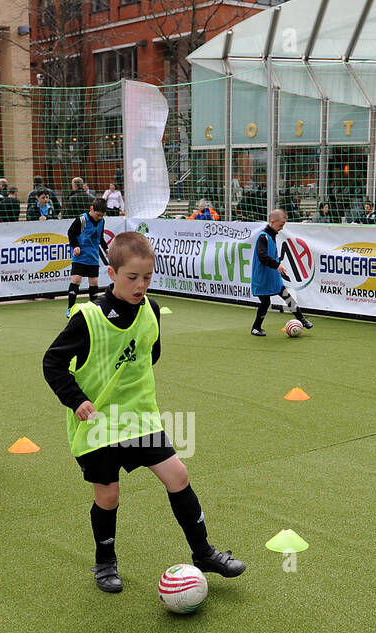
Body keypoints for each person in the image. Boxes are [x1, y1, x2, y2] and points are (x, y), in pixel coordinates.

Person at [41, 230, 246, 593]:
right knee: (108, 496)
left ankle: (203, 553)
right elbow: (53, 362)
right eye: (132, 277)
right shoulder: (87, 318)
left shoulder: (151, 309)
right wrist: (76, 399)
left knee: (178, 475)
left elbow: (151, 352)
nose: (141, 285)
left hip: (138, 418)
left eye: (147, 277)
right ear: (111, 272)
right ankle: (105, 563)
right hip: (98, 424)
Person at [249, 208, 311, 336]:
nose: (282, 228)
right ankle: (256, 328)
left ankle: (302, 319)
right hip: (262, 276)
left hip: (273, 275)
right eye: (281, 225)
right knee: (265, 302)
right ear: (272, 221)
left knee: (287, 296)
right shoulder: (263, 237)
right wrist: (277, 265)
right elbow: (262, 256)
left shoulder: (272, 235)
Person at [66, 198, 110, 316]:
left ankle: (93, 310)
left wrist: (106, 249)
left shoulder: (102, 221)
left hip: (93, 256)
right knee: (76, 279)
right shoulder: (82, 219)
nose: (99, 217)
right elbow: (71, 232)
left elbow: (100, 238)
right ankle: (70, 309)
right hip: (80, 256)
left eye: (102, 215)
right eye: (98, 215)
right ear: (91, 209)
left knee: (94, 282)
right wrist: (75, 246)